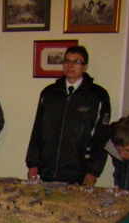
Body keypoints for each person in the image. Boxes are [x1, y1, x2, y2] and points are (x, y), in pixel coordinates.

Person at [25, 45, 111, 186]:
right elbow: (38, 130)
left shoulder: (98, 95)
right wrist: (33, 163)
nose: (70, 66)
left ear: (85, 67)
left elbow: (101, 137)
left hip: (79, 173)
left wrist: (93, 171)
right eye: (66, 61)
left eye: (76, 62)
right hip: (47, 171)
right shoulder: (49, 93)